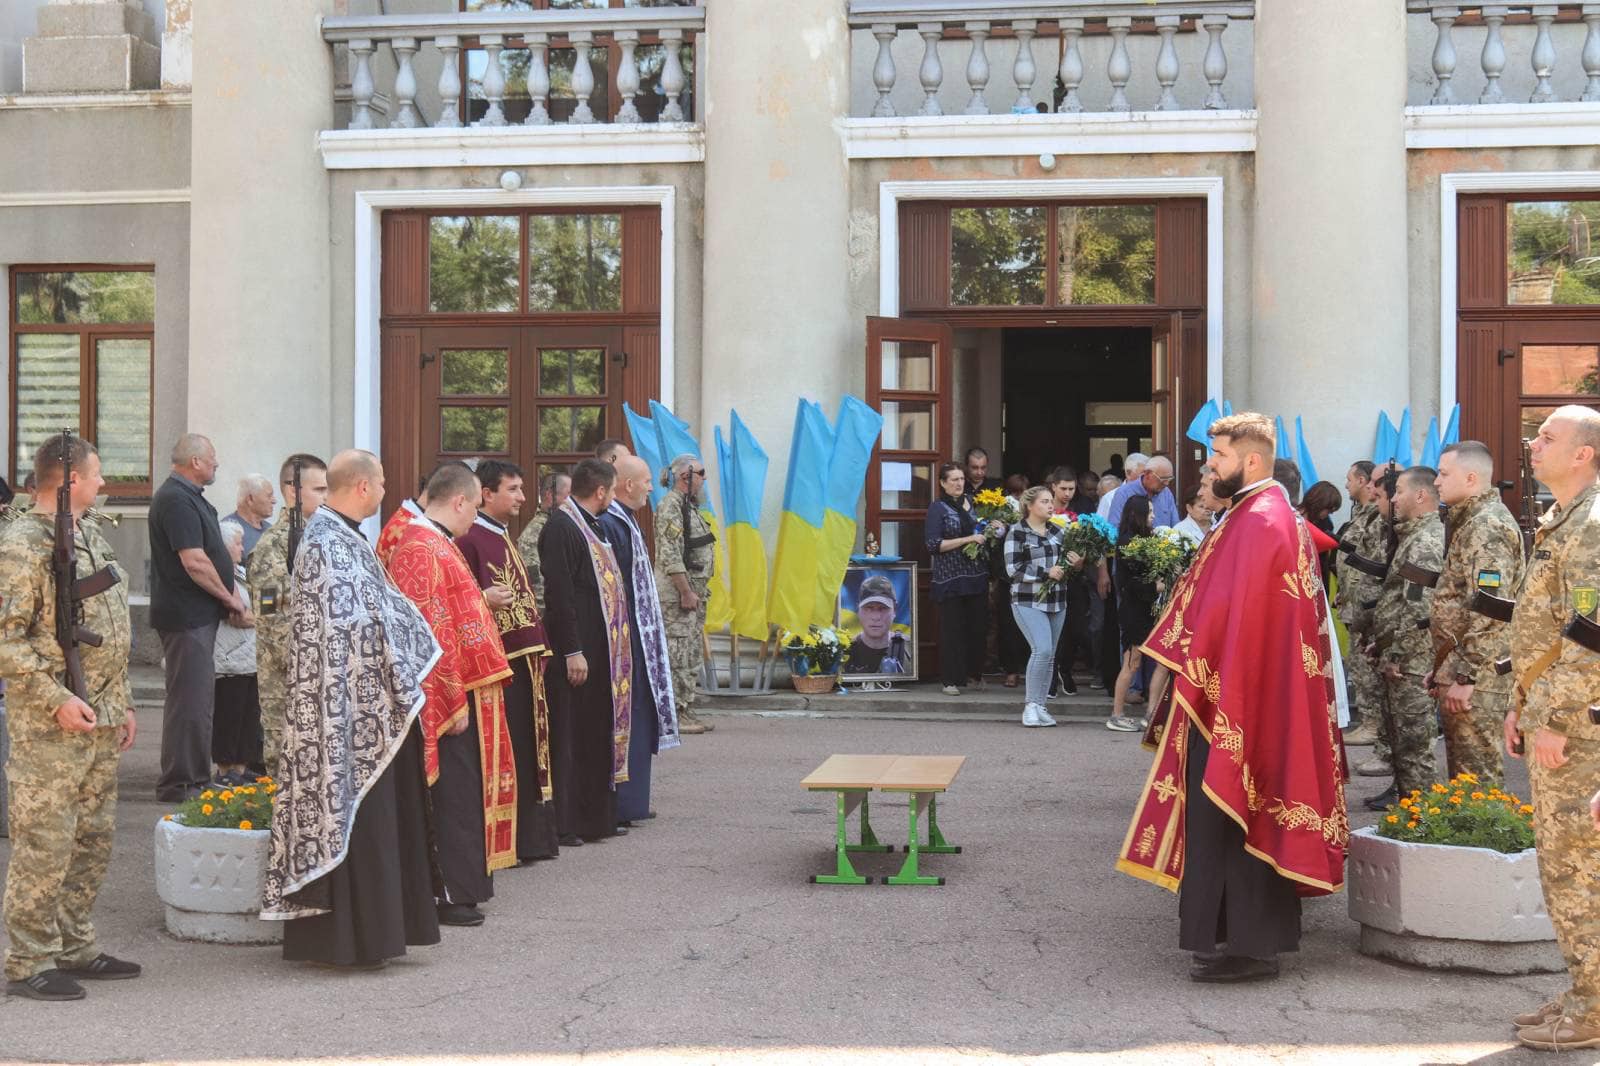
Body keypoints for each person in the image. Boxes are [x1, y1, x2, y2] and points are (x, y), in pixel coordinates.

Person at [1119, 412, 1347, 984]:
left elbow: (1237, 622)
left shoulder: (1261, 521)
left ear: (1249, 460)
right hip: (1232, 690)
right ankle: (1232, 933)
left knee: (1233, 812)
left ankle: (1250, 944)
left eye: (1217, 457)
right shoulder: (1252, 514)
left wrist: (1190, 675)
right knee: (1221, 818)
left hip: (1241, 699)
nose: (1208, 466)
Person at [261, 450, 444, 968]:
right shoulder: (325, 544)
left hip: (365, 702)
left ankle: (381, 933)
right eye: (383, 482)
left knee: (379, 817)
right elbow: (348, 629)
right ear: (363, 486)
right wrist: (402, 653)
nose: (388, 489)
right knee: (353, 814)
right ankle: (348, 939)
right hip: (340, 713)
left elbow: (375, 613)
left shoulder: (346, 538)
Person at [0, 433, 140, 1001]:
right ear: (71, 480)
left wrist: (123, 699)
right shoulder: (20, 544)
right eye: (97, 473)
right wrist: (56, 698)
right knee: (45, 843)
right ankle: (28, 958)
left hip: (101, 714)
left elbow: (106, 626)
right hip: (50, 727)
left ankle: (74, 943)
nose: (104, 482)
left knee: (92, 838)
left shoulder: (84, 534)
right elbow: (7, 641)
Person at [1502, 405, 1600, 1051]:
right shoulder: (1563, 520)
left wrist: (1558, 719)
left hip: (1581, 731)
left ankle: (1594, 1007)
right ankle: (1583, 988)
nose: (1533, 445)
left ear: (1584, 454)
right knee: (1561, 868)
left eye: (1547, 437)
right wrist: (1521, 702)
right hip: (1551, 715)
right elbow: (1547, 627)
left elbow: (1593, 634)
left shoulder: (1592, 526)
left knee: (1580, 871)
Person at [384, 463, 518, 928]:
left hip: (466, 690)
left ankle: (464, 886)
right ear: (459, 501)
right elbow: (427, 632)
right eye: (474, 509)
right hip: (448, 698)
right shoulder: (420, 546)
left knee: (464, 794)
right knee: (451, 797)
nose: (474, 520)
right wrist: (450, 699)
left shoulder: (437, 542)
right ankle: (447, 892)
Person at [455, 459, 561, 862]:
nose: (522, 497)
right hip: (499, 664)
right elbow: (460, 604)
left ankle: (531, 839)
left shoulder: (499, 534)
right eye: (513, 489)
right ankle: (510, 841)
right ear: (486, 494)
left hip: (522, 662)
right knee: (507, 753)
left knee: (528, 751)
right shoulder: (470, 539)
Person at [149, 433, 250, 803]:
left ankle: (194, 778)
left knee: (197, 700)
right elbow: (194, 561)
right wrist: (229, 597)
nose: (216, 464)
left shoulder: (189, 499)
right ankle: (182, 783)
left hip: (196, 615)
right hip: (186, 617)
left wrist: (229, 593)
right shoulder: (176, 500)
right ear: (195, 462)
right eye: (212, 458)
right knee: (190, 702)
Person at [542, 459, 633, 844]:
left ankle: (598, 817)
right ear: (600, 491)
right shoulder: (561, 527)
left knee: (596, 731)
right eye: (612, 492)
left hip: (602, 649)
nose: (612, 498)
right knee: (574, 736)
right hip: (578, 650)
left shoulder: (591, 524)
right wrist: (572, 650)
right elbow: (560, 593)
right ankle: (569, 822)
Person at [1427, 442, 1523, 786]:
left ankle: (1488, 844)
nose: (1436, 481)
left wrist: (1467, 676)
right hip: (1461, 672)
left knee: (1477, 785)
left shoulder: (1486, 527)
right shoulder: (1469, 522)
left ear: (1470, 478)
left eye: (1443, 473)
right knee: (1465, 783)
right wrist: (1442, 668)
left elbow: (1491, 610)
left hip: (1477, 680)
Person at [600, 454, 680, 824]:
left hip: (639, 637)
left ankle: (634, 802)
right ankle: (622, 804)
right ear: (628, 484)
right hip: (624, 639)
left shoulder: (627, 520)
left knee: (640, 716)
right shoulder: (610, 523)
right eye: (646, 480)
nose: (652, 487)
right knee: (625, 718)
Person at [1365, 466, 1444, 812]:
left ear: (1420, 495)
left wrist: (1396, 653)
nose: (1393, 498)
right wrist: (1381, 644)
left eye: (1398, 491)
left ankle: (1422, 819)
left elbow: (1418, 606)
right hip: (1398, 657)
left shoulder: (1426, 540)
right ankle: (1409, 813)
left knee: (1415, 750)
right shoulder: (1411, 535)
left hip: (1412, 663)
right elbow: (1397, 600)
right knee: (1402, 747)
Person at [245, 453, 328, 778]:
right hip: (288, 685)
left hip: (320, 681)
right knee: (287, 773)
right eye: (319, 489)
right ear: (292, 491)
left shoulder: (320, 540)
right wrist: (312, 665)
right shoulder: (272, 549)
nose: (326, 497)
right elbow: (272, 621)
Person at [1004, 486, 1078, 727]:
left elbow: (1067, 566)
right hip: (1027, 599)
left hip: (1057, 600)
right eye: (1044, 501)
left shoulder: (1059, 530)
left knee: (1050, 655)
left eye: (1050, 501)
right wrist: (1046, 572)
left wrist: (1076, 563)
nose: (1050, 505)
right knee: (1042, 650)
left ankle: (1041, 705)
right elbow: (1012, 569)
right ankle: (1030, 706)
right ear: (1029, 506)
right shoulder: (1017, 532)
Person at [654, 454, 717, 735]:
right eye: (701, 473)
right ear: (685, 476)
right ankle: (674, 713)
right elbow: (670, 554)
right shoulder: (671, 506)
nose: (704, 479)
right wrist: (686, 591)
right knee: (677, 654)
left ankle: (685, 707)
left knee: (689, 653)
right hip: (678, 598)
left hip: (693, 595)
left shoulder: (687, 507)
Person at [1337, 461, 1390, 756]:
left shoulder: (1378, 517)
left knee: (1366, 665)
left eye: (1351, 479)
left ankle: (1372, 723)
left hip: (1368, 604)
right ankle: (1371, 722)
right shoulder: (1363, 514)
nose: (1349, 485)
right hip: (1354, 600)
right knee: (1358, 663)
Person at [925, 462, 989, 696]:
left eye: (961, 479)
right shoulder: (938, 508)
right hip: (950, 578)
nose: (959, 483)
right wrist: (967, 540)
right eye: (953, 480)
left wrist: (994, 528)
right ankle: (950, 680)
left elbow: (983, 530)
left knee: (977, 629)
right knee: (952, 631)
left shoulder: (973, 503)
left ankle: (973, 675)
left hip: (976, 576)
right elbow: (933, 545)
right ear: (942, 483)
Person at [211, 520, 262, 787]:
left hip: (248, 656)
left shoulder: (241, 572)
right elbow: (239, 616)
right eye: (238, 542)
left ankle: (240, 769)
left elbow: (259, 609)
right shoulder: (221, 575)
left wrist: (260, 616)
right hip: (230, 657)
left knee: (248, 716)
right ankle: (224, 770)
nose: (243, 548)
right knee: (229, 715)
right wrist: (264, 618)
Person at [1108, 496, 1157, 732]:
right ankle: (1116, 714)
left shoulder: (1147, 539)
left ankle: (1149, 711)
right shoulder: (1128, 542)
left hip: (1147, 610)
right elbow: (1132, 583)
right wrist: (1155, 586)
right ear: (1136, 515)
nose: (1153, 516)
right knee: (1131, 662)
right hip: (1134, 611)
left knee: (1141, 662)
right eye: (1148, 512)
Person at [517, 471, 571, 612]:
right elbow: (537, 587)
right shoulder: (534, 534)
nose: (573, 502)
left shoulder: (563, 526)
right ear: (550, 495)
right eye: (569, 496)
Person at [844, 574, 912, 676]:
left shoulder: (909, 648)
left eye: (883, 608)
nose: (876, 617)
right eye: (868, 608)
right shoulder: (844, 651)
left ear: (895, 609)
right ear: (858, 609)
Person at [1107, 454, 1179, 529]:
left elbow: (1176, 527)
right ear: (1147, 474)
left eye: (1169, 479)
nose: (1166, 483)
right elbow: (1114, 529)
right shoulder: (1124, 493)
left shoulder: (1166, 493)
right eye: (1163, 479)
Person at [222, 474, 275, 561]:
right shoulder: (229, 531)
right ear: (250, 499)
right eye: (269, 496)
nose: (274, 501)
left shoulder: (271, 529)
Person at [1299, 481, 1343, 581]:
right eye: (1329, 510)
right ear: (1318, 503)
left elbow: (1323, 561)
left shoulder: (1326, 525)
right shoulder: (1290, 515)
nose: (1328, 515)